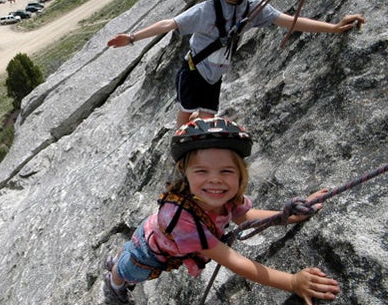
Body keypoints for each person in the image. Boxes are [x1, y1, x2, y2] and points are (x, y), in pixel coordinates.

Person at [106, 0, 365, 127]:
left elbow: (290, 22)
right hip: (194, 71)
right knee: (186, 111)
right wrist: (131, 38)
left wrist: (332, 27)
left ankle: (198, 149)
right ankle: (180, 144)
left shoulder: (253, 8)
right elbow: (169, 23)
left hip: (215, 75)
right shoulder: (206, 11)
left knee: (207, 116)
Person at [103, 117, 340, 304]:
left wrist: (288, 215)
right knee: (128, 273)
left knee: (128, 258)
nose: (215, 180)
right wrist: (292, 282)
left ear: (239, 175)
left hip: (152, 233)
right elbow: (234, 261)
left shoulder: (222, 197)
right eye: (202, 172)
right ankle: (114, 281)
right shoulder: (184, 222)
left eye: (226, 172)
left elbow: (243, 216)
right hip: (148, 255)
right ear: (186, 174)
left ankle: (119, 260)